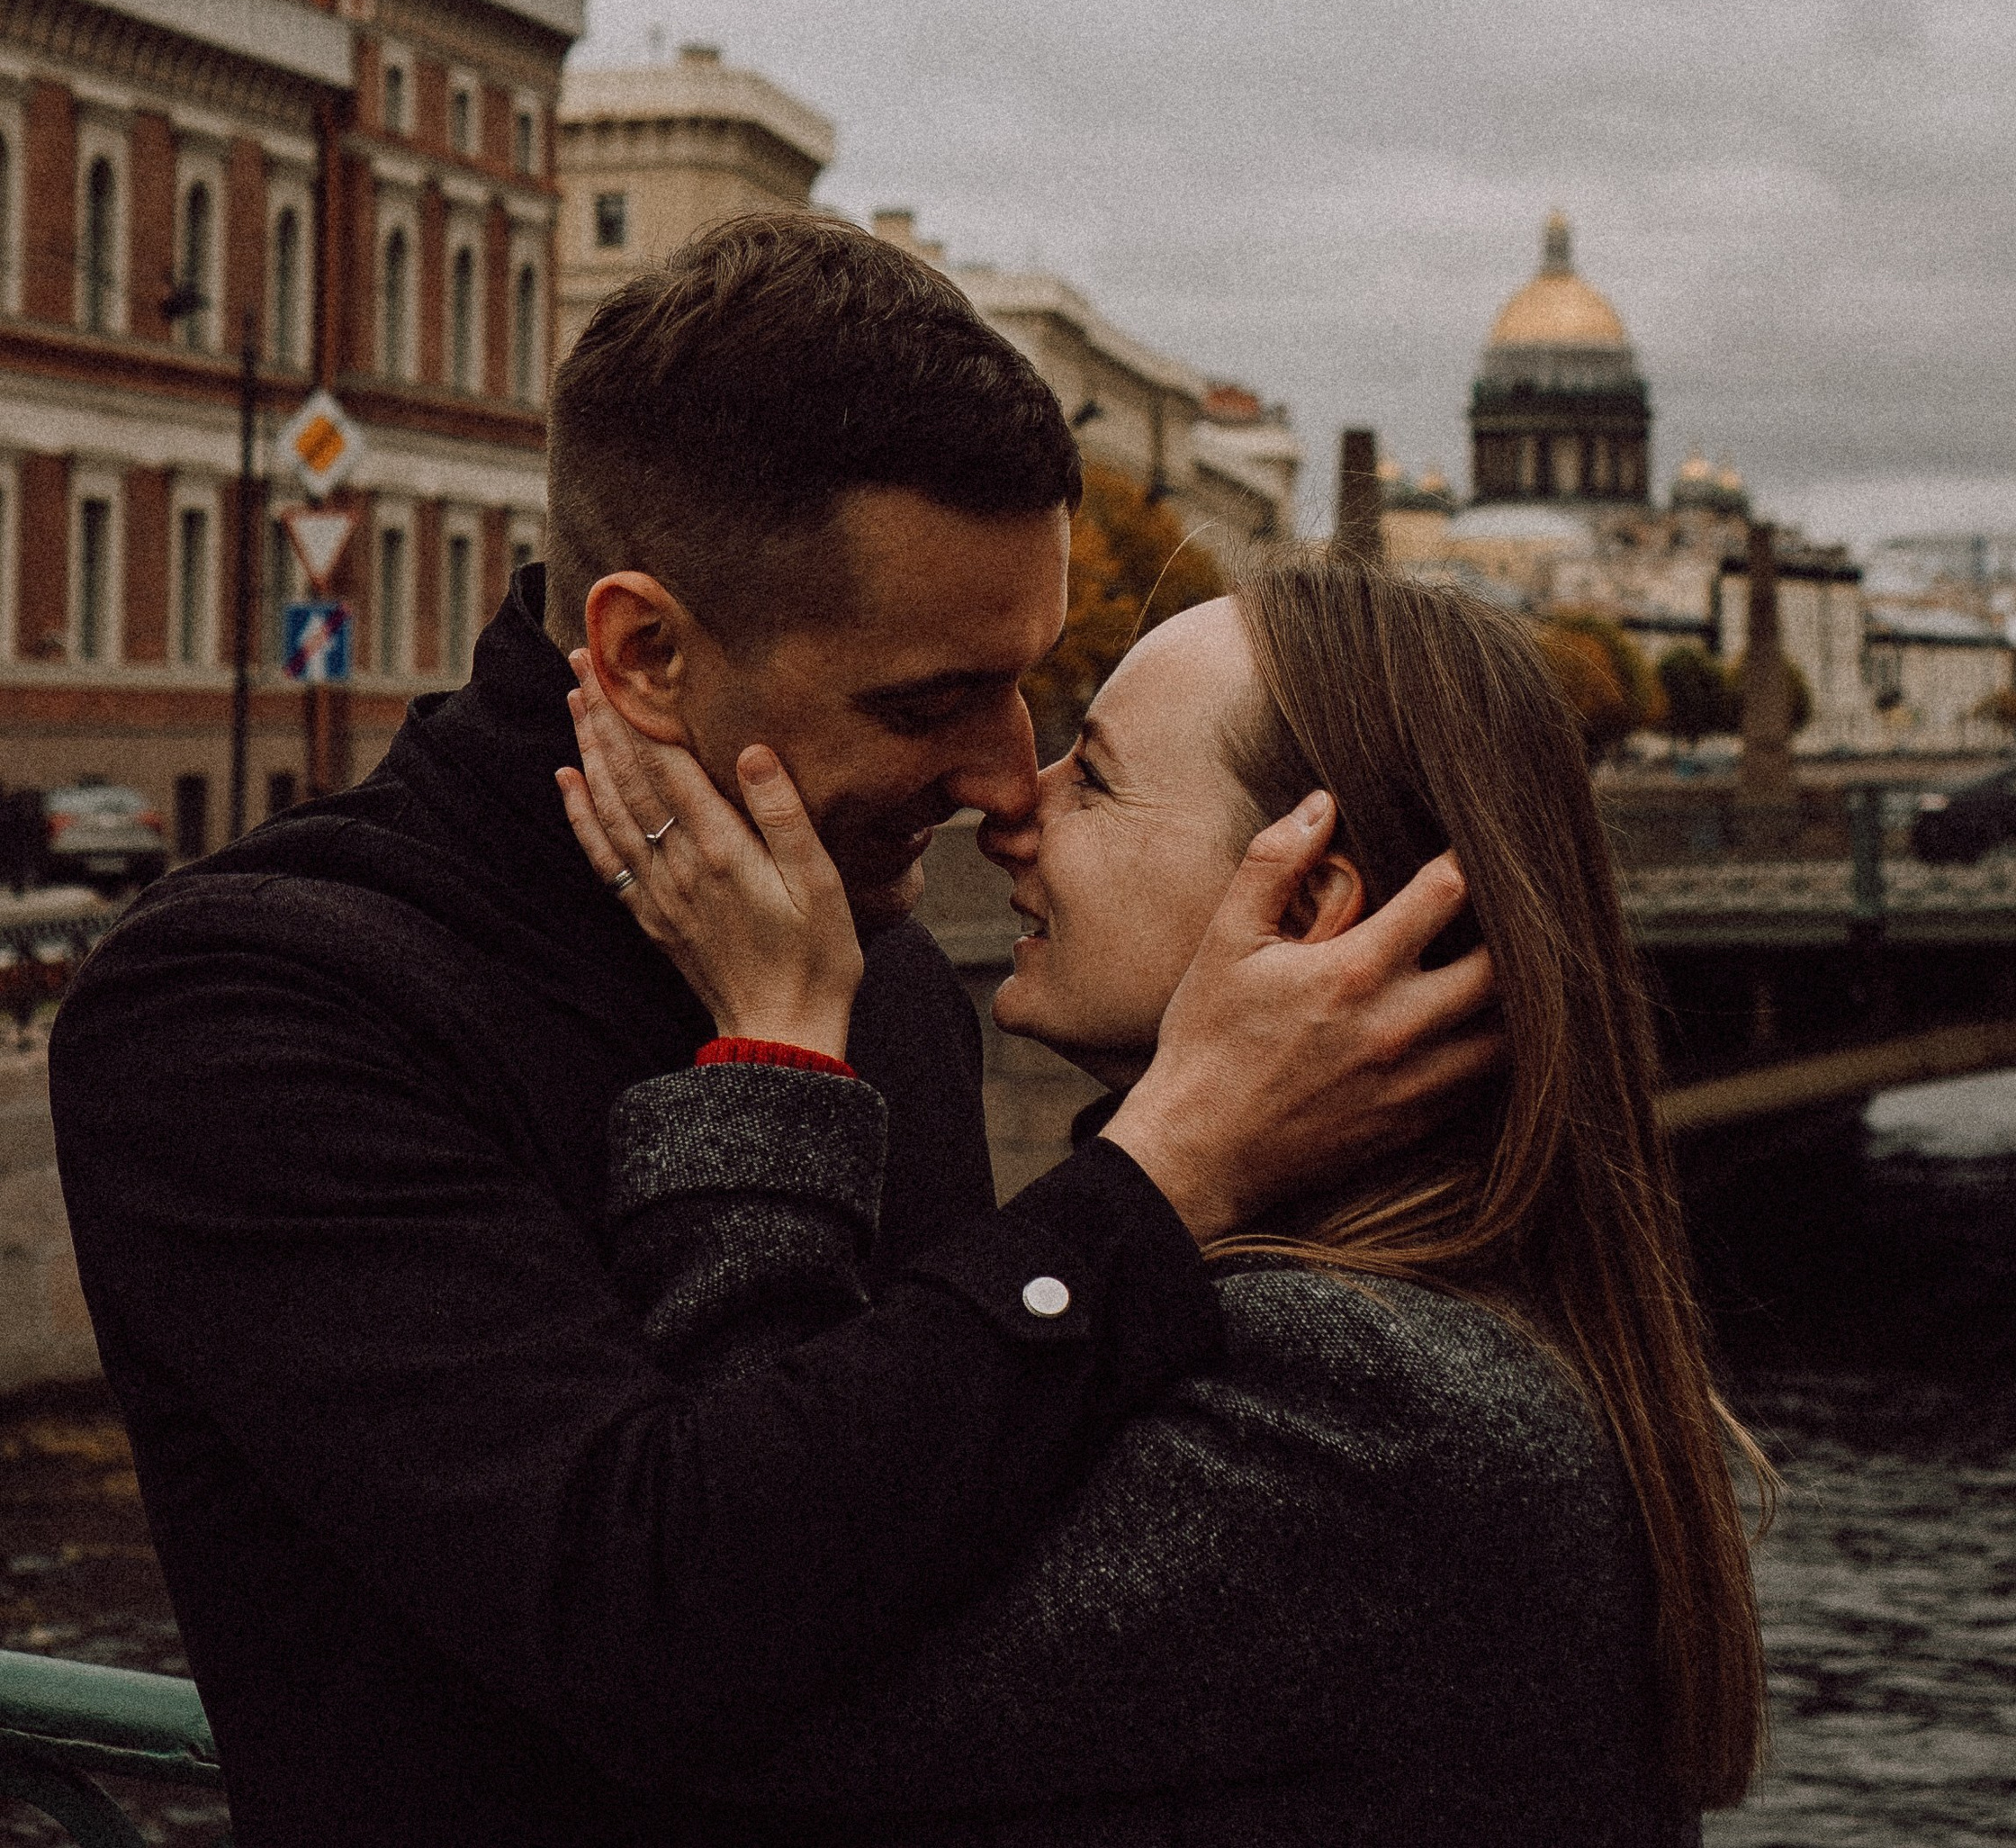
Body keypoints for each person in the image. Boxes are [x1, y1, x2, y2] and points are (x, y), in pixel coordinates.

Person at [50, 218, 1495, 1848]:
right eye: (928, 700)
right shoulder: (250, 1006)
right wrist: (1160, 1178)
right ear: (646, 654)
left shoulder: (871, 966)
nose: (1003, 780)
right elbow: (658, 1627)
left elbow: (947, 1550)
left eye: (1028, 685)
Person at [560, 546, 1771, 1845]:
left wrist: (778, 1046)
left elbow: (726, 1667)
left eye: (1095, 775)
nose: (1008, 810)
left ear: (1304, 905)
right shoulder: (1405, 1336)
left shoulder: (1373, 1407)